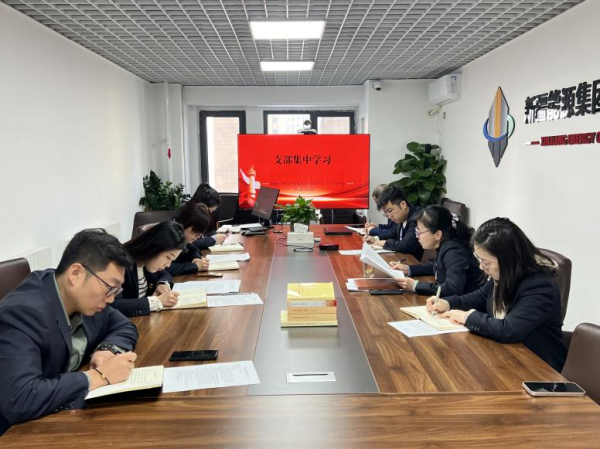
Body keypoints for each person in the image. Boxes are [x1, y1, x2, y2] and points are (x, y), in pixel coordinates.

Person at [0, 229, 138, 435]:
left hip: (63, 412)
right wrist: (99, 376)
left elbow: (124, 326)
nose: (111, 299)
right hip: (18, 433)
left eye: (116, 291)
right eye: (110, 287)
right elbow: (20, 399)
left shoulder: (85, 298)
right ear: (76, 274)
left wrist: (106, 350)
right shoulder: (21, 313)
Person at [426, 217, 567, 372]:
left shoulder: (540, 286)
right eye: (479, 259)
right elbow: (480, 297)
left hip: (538, 368)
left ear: (508, 259)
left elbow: (508, 330)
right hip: (505, 356)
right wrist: (448, 303)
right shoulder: (506, 274)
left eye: (486, 262)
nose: (481, 267)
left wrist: (467, 317)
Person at [390, 205, 482, 296]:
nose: (417, 237)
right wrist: (408, 269)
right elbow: (436, 265)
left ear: (438, 234)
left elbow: (452, 288)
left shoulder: (454, 252)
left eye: (419, 232)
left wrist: (415, 286)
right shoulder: (445, 246)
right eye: (416, 231)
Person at [112, 221, 186, 317]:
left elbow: (165, 274)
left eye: (172, 260)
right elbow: (112, 305)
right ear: (154, 247)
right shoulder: (120, 264)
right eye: (168, 257)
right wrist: (156, 301)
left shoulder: (146, 262)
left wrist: (162, 284)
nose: (168, 265)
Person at [366, 186, 423, 260]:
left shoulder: (417, 217)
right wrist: (375, 238)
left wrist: (385, 243)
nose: (389, 216)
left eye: (390, 211)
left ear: (403, 204)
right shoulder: (403, 216)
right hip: (402, 258)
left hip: (412, 261)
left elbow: (406, 245)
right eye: (386, 213)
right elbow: (393, 233)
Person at [168, 202, 213, 276]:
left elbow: (194, 249)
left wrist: (196, 259)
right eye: (196, 232)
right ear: (183, 223)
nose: (198, 236)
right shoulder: (168, 235)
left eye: (200, 233)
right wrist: (195, 266)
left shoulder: (182, 236)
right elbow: (163, 268)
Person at [182, 183, 227, 250]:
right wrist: (213, 240)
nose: (211, 213)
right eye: (210, 210)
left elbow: (207, 231)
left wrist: (216, 235)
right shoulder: (187, 215)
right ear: (202, 206)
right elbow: (189, 243)